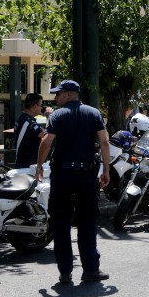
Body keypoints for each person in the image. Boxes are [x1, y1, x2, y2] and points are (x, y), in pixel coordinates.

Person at [35, 80, 110, 284]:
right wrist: (106, 169)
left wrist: (39, 165)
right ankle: (90, 270)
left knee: (61, 223)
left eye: (58, 94)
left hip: (63, 175)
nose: (55, 98)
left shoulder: (58, 115)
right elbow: (104, 141)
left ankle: (65, 272)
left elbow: (47, 141)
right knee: (87, 222)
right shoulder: (93, 113)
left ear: (68, 94)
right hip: (86, 175)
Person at [14, 93, 54, 168]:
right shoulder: (29, 123)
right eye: (41, 105)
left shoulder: (22, 118)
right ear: (35, 106)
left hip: (22, 162)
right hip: (27, 164)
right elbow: (45, 135)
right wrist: (49, 118)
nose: (42, 108)